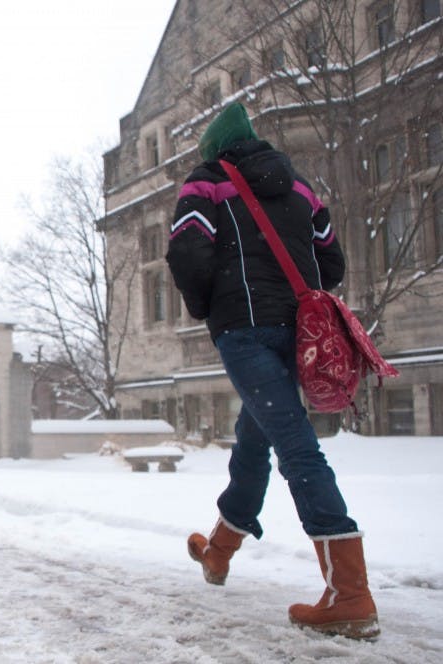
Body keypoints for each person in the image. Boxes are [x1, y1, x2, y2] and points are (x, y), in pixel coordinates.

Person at [166, 102, 379, 640]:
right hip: (296, 332)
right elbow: (331, 263)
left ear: (215, 150)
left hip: (244, 331)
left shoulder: (205, 184)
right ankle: (218, 552)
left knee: (295, 445)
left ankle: (349, 595)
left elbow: (187, 254)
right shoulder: (301, 187)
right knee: (254, 439)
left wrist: (209, 306)